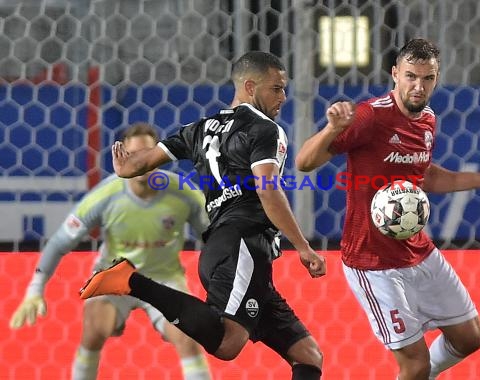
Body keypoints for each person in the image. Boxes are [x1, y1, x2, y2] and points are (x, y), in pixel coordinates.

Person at [78, 51, 327, 380]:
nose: (283, 96)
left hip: (224, 249)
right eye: (276, 88)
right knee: (227, 344)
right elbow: (268, 190)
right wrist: (303, 246)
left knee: (308, 355)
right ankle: (130, 280)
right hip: (243, 245)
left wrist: (126, 167)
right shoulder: (266, 130)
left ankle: (131, 281)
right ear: (250, 86)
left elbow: (142, 162)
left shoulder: (199, 129)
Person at [295, 38, 480, 380]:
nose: (418, 86)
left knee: (470, 337)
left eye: (427, 78)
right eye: (411, 76)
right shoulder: (370, 116)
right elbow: (304, 162)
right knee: (414, 362)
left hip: (417, 251)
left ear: (436, 79)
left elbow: (423, 175)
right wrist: (333, 129)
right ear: (395, 74)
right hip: (373, 262)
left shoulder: (427, 119)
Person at [10, 123, 212, 380]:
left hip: (164, 278)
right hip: (116, 276)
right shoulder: (106, 195)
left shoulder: (184, 193)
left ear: (159, 156)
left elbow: (213, 238)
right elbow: (60, 243)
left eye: (146, 154)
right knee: (94, 328)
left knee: (188, 336)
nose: (140, 161)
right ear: (121, 157)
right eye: (132, 155)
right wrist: (34, 290)